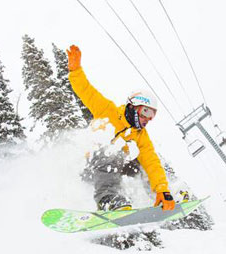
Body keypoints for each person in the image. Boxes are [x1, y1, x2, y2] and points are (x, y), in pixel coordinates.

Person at [67, 45, 175, 212]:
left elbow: (151, 161)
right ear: (133, 106)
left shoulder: (140, 135)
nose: (147, 118)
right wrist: (75, 71)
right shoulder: (107, 110)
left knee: (151, 161)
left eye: (152, 115)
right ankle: (107, 200)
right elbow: (86, 91)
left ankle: (163, 196)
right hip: (92, 166)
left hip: (117, 168)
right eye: (145, 111)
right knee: (113, 151)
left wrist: (163, 188)